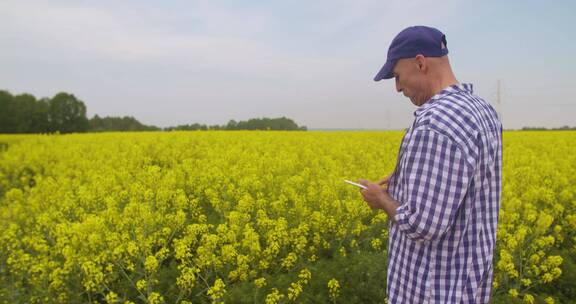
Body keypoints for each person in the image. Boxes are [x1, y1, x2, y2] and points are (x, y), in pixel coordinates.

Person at [358, 25, 503, 303]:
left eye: (398, 76)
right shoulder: (482, 110)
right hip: (468, 286)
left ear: (420, 63)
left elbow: (422, 225)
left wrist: (382, 199)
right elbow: (464, 180)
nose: (398, 87)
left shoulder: (436, 123)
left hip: (432, 290)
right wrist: (403, 178)